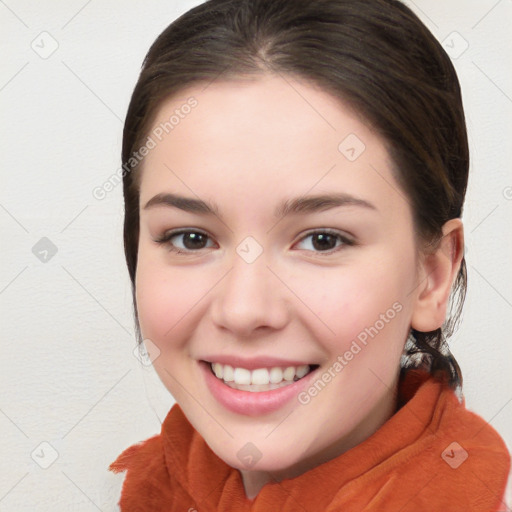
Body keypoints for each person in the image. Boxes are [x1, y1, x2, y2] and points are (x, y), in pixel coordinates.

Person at [108, 0, 511, 509]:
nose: (244, 310)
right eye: (191, 238)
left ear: (431, 275)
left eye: (323, 239)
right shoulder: (155, 491)